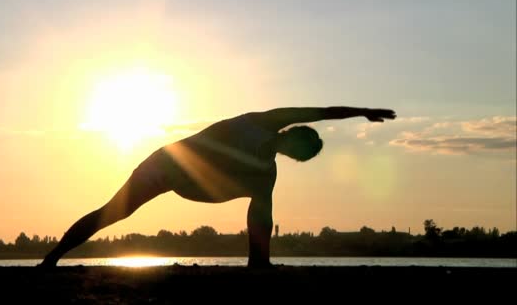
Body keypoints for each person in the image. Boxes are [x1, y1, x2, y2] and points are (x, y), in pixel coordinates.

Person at [39, 106, 396, 268]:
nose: (293, 152)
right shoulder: (263, 122)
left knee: (262, 197)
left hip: (201, 185)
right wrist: (362, 111)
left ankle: (259, 263)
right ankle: (52, 258)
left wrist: (260, 259)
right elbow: (320, 112)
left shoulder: (266, 172)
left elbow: (261, 218)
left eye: (299, 156)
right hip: (168, 165)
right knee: (112, 212)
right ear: (290, 133)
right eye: (298, 144)